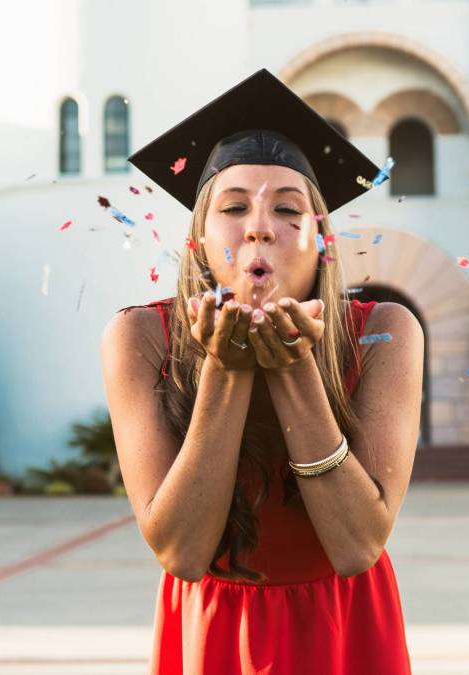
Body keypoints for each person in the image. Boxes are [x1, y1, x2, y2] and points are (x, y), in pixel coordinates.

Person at [100, 68, 423, 675]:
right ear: (197, 240)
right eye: (233, 207)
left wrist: (296, 368)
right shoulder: (139, 337)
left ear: (322, 239)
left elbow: (358, 546)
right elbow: (181, 550)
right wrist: (225, 371)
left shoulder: (385, 331)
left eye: (286, 207)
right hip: (214, 626)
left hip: (344, 625)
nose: (259, 225)